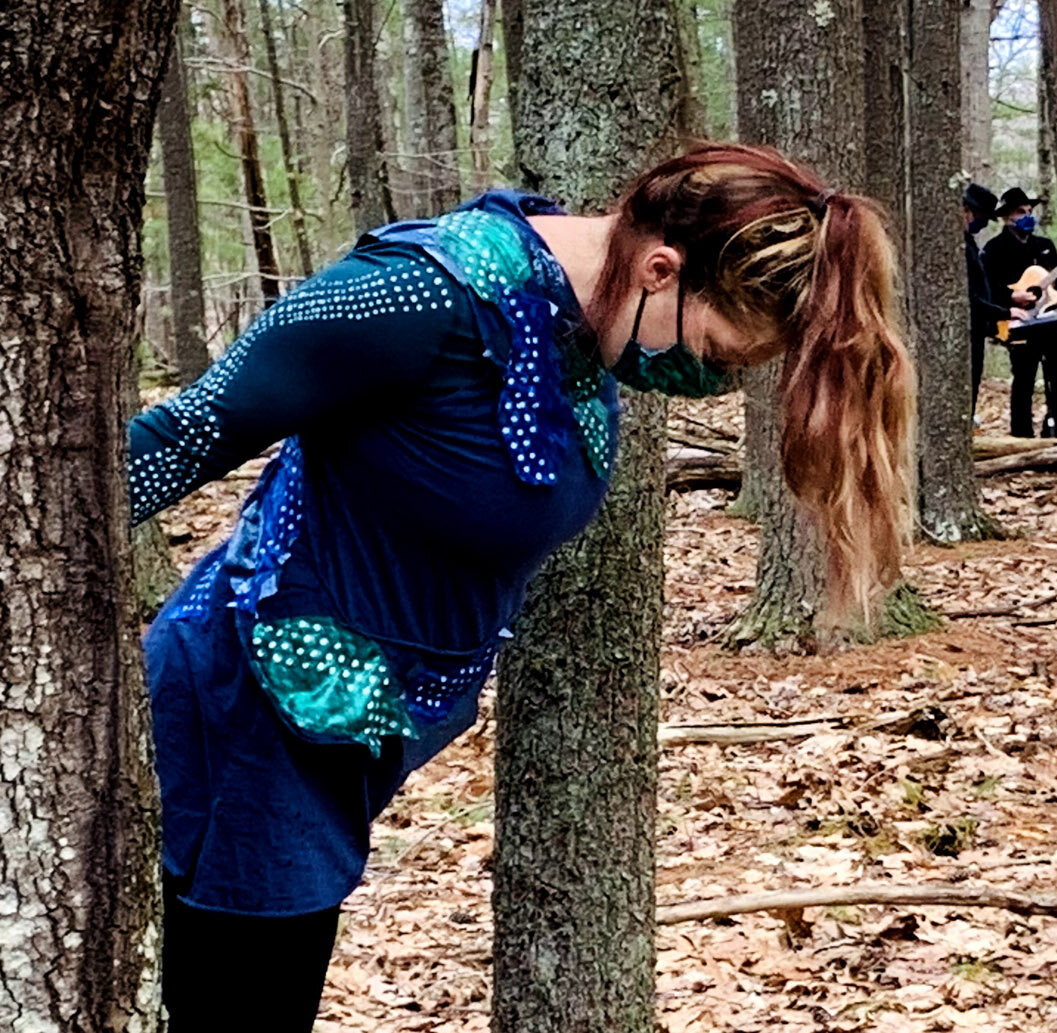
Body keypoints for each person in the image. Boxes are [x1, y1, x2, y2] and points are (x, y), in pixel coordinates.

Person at [130, 143, 916, 1031]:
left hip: (344, 736)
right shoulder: (422, 293)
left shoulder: (577, 321)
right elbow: (178, 437)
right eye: (715, 353)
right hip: (245, 718)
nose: (706, 383)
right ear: (661, 268)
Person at [982, 187, 1057, 437]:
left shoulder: (1044, 246)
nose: (1028, 216)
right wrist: (1011, 298)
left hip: (1051, 321)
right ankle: (1021, 436)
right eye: (1021, 212)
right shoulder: (993, 249)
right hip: (1018, 323)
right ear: (1007, 217)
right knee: (1024, 381)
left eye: (1030, 211)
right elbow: (984, 288)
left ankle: (1054, 428)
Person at [961, 183, 1026, 422]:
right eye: (981, 218)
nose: (983, 224)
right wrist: (1006, 312)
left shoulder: (969, 244)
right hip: (969, 327)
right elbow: (971, 298)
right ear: (966, 211)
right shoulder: (964, 248)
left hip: (978, 327)